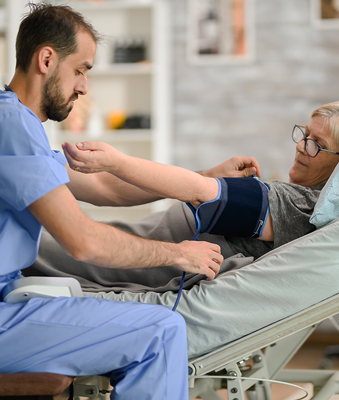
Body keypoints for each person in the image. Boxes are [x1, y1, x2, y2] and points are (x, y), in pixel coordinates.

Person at [0, 3, 259, 399]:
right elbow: (84, 241)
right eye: (81, 70)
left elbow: (105, 188)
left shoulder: (20, 126)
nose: (84, 87)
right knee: (161, 330)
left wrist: (204, 179)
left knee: (154, 328)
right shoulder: (12, 128)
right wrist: (178, 253)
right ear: (47, 59)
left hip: (9, 297)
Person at [27, 99, 339, 296]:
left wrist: (118, 162)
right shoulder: (299, 199)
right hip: (147, 237)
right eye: (303, 134)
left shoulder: (300, 205)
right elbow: (200, 187)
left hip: (147, 254)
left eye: (316, 144)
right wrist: (209, 175)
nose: (300, 146)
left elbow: (200, 193)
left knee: (33, 252)